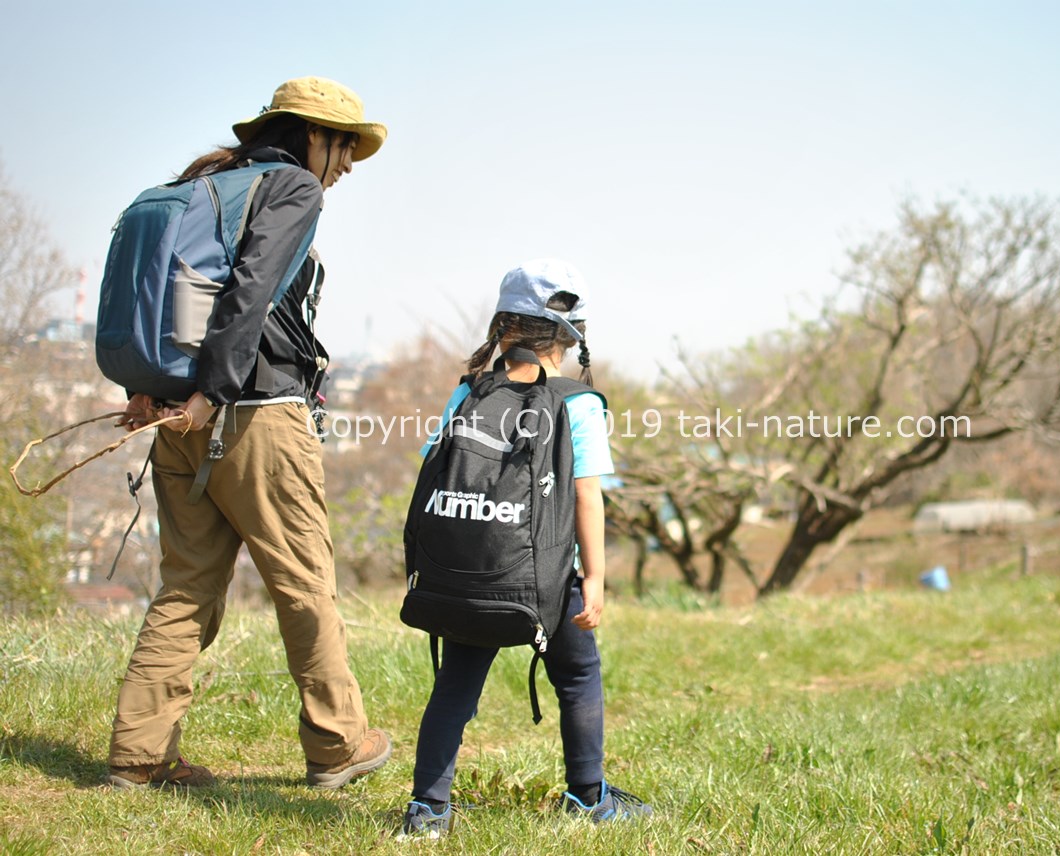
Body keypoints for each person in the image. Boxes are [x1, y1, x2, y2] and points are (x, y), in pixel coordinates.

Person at [106, 77, 392, 790]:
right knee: (304, 584)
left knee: (185, 589)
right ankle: (338, 744)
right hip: (254, 417)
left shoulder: (211, 184)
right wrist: (214, 391)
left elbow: (157, 300)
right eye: (345, 146)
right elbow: (250, 291)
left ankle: (138, 758)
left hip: (177, 419)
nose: (348, 164)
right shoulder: (293, 188)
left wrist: (155, 391)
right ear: (311, 136)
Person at [398, 259, 652, 839]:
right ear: (568, 337)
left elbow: (434, 474)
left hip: (467, 575)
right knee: (579, 673)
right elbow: (589, 500)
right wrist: (596, 579)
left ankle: (428, 810)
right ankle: (588, 797)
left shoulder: (469, 391)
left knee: (456, 687)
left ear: (503, 330)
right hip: (546, 582)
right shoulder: (578, 404)